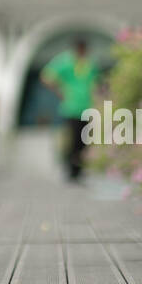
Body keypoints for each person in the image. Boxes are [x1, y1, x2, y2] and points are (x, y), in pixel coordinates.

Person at [40, 38, 100, 181]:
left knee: (83, 140)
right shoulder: (65, 61)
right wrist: (60, 91)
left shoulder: (89, 64)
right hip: (71, 108)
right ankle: (71, 171)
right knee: (72, 140)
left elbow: (96, 83)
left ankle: (79, 170)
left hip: (86, 108)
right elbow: (47, 76)